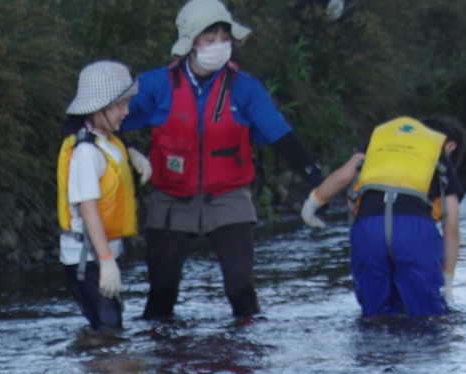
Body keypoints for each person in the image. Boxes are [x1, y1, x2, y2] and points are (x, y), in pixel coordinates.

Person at [121, 0, 325, 324]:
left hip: (229, 197)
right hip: (171, 198)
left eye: (224, 37)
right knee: (161, 293)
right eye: (209, 37)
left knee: (240, 288)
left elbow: (280, 134)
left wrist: (315, 177)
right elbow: (106, 122)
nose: (219, 45)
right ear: (190, 43)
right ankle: (160, 365)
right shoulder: (155, 85)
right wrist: (130, 149)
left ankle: (246, 362)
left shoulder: (246, 88)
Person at [301, 115, 466, 317]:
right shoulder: (436, 151)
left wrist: (311, 205)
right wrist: (447, 280)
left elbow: (344, 176)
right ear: (449, 145)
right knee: (429, 316)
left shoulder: (379, 141)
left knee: (375, 316)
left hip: (368, 225)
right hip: (414, 229)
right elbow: (451, 227)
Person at [57, 62, 149, 334]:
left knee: (109, 329)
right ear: (97, 108)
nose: (127, 111)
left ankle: (100, 372)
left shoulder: (106, 138)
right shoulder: (86, 153)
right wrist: (106, 260)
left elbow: (115, 148)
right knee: (109, 330)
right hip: (89, 258)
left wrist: (134, 152)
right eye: (120, 105)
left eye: (127, 103)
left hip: (102, 253)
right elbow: (88, 211)